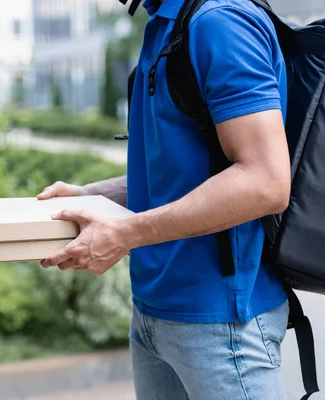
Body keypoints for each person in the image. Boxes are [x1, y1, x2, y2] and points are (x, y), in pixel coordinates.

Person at [37, 0, 291, 398]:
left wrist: (125, 234)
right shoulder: (164, 24)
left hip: (221, 324)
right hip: (153, 315)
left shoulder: (219, 22)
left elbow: (265, 181)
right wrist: (92, 195)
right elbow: (180, 172)